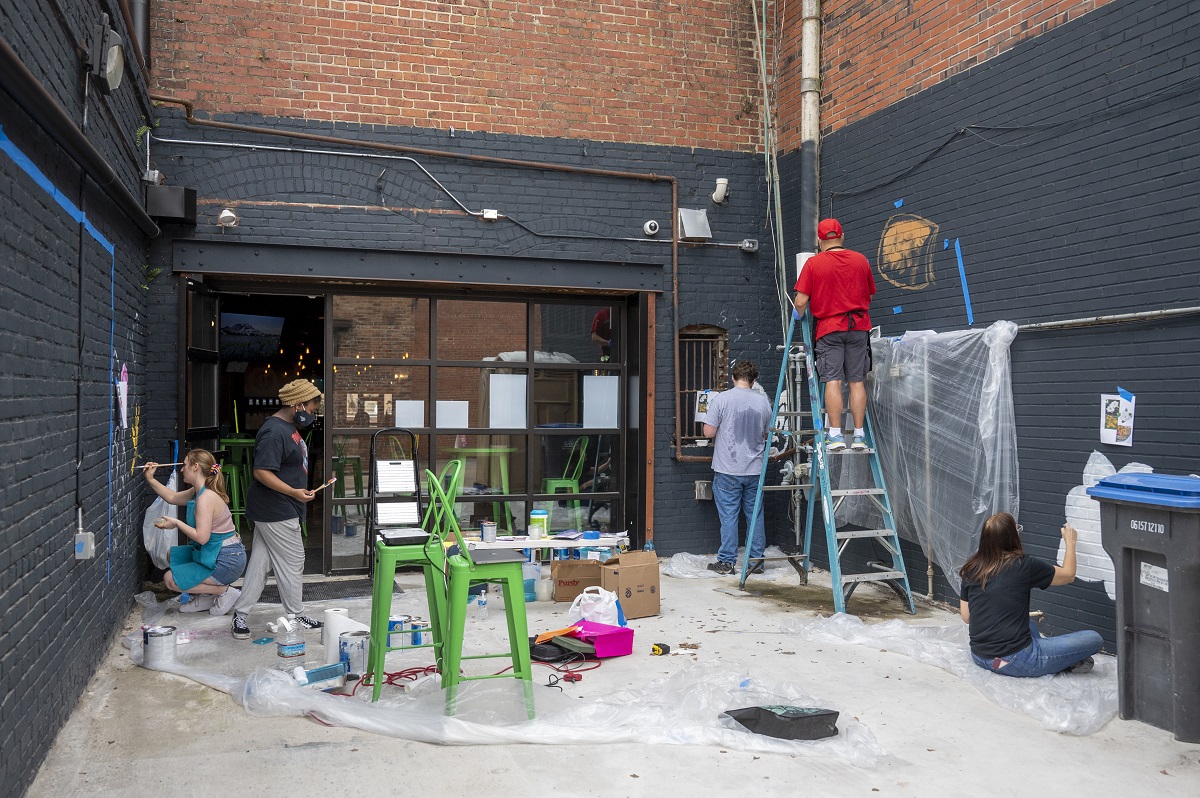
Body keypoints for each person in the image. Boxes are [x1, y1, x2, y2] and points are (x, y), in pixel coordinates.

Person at [230, 379, 325, 639]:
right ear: (298, 405)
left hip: (275, 507)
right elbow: (261, 471)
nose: (313, 415)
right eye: (312, 409)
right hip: (276, 509)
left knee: (260, 564)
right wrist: (294, 492)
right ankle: (296, 614)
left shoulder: (287, 427)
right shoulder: (274, 432)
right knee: (294, 561)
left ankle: (240, 615)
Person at [959, 512, 1102, 677]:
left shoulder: (971, 568)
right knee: (1094, 638)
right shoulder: (1023, 565)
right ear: (1013, 537)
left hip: (979, 656)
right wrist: (1070, 542)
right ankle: (1053, 660)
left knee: (1025, 623)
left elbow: (967, 616)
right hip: (1014, 660)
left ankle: (1053, 656)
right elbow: (1068, 575)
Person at [793, 218, 876, 451]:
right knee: (857, 381)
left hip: (829, 329)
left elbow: (801, 301)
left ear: (820, 241)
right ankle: (859, 436)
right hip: (858, 327)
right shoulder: (861, 261)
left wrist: (798, 314)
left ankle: (836, 435)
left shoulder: (814, 264)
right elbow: (869, 294)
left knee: (833, 380)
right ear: (842, 236)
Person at [142, 450, 246, 616]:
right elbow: (172, 497)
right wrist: (150, 479)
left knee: (170, 580)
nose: (182, 469)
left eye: (185, 465)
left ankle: (223, 591)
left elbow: (201, 538)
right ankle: (206, 596)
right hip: (213, 553)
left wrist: (176, 523)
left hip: (226, 561)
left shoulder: (206, 498)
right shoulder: (197, 492)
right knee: (172, 555)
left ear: (195, 467)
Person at [702, 359, 772, 575]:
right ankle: (756, 562)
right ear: (753, 380)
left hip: (728, 469)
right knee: (755, 516)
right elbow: (766, 434)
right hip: (755, 469)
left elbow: (708, 433)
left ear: (733, 378)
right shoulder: (764, 402)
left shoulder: (722, 399)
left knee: (729, 516)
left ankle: (727, 562)